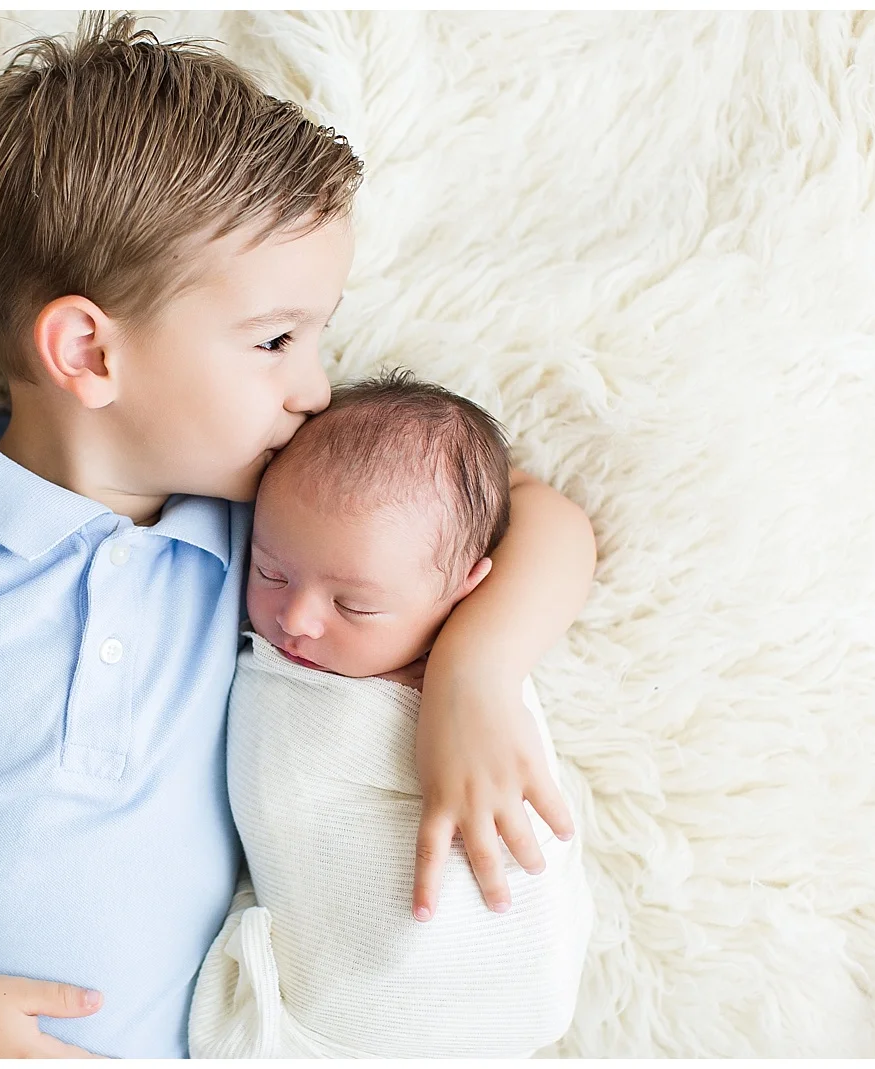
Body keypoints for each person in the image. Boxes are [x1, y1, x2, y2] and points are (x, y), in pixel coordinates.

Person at [0, 12, 595, 1059]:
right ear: (89, 352)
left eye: (316, 336)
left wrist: (475, 673)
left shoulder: (274, 539)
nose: (315, 389)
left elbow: (538, 515)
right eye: (275, 340)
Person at [188, 371, 593, 1057]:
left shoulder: (468, 630)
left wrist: (472, 672)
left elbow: (543, 513)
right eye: (271, 572)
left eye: (355, 606)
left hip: (483, 989)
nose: (295, 618)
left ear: (464, 588)